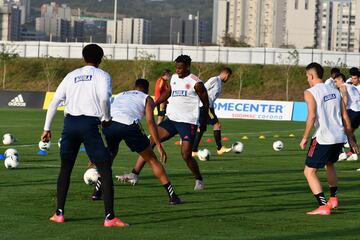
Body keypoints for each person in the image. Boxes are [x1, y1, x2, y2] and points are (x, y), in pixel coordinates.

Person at [40, 44, 128, 227]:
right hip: (89, 125)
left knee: (65, 169)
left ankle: (59, 213)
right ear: (101, 58)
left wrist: (46, 128)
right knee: (104, 168)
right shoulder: (103, 75)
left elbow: (55, 101)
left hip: (70, 124)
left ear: (83, 57)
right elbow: (104, 98)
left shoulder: (71, 75)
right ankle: (110, 218)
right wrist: (106, 117)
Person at [117, 54, 209, 190]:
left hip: (188, 122)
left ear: (188, 67)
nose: (177, 71)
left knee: (186, 155)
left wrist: (203, 120)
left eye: (180, 68)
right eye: (176, 68)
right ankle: (134, 174)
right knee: (150, 142)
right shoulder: (174, 78)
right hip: (171, 120)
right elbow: (168, 93)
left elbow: (206, 102)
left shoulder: (197, 83)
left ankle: (198, 179)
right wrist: (155, 103)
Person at [91, 78, 181, 205]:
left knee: (109, 156)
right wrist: (159, 145)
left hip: (110, 125)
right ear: (147, 89)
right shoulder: (147, 98)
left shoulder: (122, 94)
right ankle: (173, 196)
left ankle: (97, 192)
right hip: (129, 125)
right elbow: (150, 121)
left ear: (134, 86)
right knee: (151, 159)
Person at [300, 62, 358, 215]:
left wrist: (305, 137)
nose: (307, 79)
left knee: (309, 172)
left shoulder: (310, 92)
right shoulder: (334, 90)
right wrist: (350, 139)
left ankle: (323, 206)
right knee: (329, 164)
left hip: (323, 137)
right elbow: (345, 117)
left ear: (311, 75)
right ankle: (333, 198)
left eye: (307, 76)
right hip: (339, 136)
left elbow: (312, 116)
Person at [192, 67, 233, 157]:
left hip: (208, 107)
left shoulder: (219, 83)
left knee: (202, 128)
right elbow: (202, 88)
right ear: (225, 74)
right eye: (228, 76)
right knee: (216, 124)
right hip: (204, 106)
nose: (228, 79)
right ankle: (219, 148)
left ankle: (194, 150)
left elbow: (211, 97)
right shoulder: (214, 79)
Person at [333, 72, 360, 161]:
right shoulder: (352, 86)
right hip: (358, 112)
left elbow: (345, 97)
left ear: (341, 80)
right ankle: (354, 153)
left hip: (353, 111)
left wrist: (341, 110)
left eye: (336, 81)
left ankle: (341, 153)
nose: (335, 83)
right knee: (349, 132)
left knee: (337, 129)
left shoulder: (343, 86)